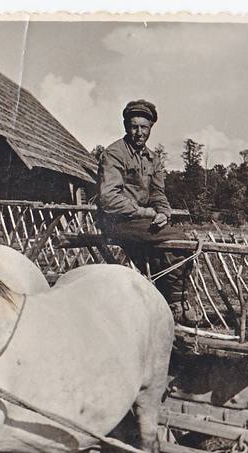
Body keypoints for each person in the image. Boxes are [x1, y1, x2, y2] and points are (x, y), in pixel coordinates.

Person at [96, 99, 200, 326]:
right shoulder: (114, 154)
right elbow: (108, 198)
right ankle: (175, 304)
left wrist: (163, 212)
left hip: (143, 222)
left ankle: (169, 301)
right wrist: (147, 213)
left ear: (151, 128)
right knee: (179, 240)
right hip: (118, 222)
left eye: (144, 127)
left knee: (177, 244)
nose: (139, 132)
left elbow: (158, 193)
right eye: (134, 126)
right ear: (126, 126)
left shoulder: (153, 159)